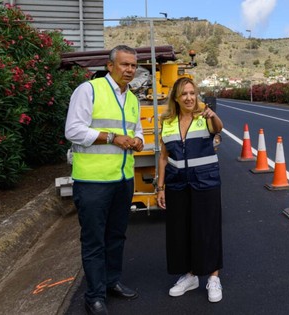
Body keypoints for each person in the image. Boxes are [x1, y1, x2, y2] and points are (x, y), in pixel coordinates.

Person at [65, 45, 144, 315]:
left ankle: (112, 282)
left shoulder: (132, 99)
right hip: (93, 181)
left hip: (122, 179)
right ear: (110, 66)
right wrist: (112, 137)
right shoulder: (89, 90)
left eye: (133, 65)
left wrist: (137, 142)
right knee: (94, 240)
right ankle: (94, 296)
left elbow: (138, 131)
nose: (130, 70)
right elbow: (73, 130)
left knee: (116, 236)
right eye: (124, 64)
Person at [156, 77, 224, 303]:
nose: (189, 97)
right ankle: (190, 275)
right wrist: (160, 187)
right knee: (181, 230)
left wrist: (212, 114)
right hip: (177, 183)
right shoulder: (166, 121)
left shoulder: (204, 117)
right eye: (184, 94)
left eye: (192, 93)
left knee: (208, 228)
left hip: (205, 181)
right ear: (176, 97)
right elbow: (164, 157)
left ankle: (213, 276)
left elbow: (218, 128)